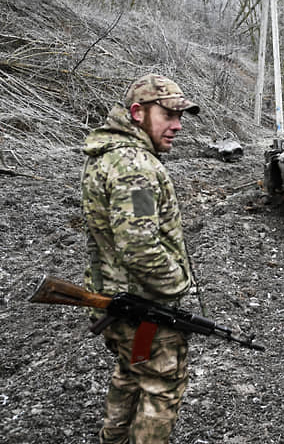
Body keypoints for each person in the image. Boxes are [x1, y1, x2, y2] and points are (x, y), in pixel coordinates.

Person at [81, 74, 200, 443]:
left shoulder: (110, 156)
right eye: (169, 115)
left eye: (180, 117)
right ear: (137, 112)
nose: (177, 126)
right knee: (162, 385)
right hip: (142, 307)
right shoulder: (135, 168)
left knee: (131, 372)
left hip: (120, 303)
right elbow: (140, 248)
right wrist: (180, 285)